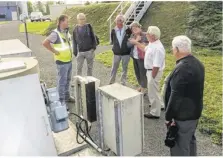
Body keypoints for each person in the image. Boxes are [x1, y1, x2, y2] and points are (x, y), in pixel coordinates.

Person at [165, 35, 205, 156]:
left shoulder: (181, 69)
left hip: (182, 116)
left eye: (173, 49)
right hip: (194, 113)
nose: (172, 51)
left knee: (179, 147)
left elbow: (175, 96)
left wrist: (168, 117)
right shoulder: (198, 63)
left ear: (176, 49)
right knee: (190, 141)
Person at [129, 26, 165, 119]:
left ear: (153, 35)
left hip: (153, 72)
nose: (146, 35)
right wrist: (136, 42)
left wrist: (152, 77)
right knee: (155, 90)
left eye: (148, 33)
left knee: (153, 92)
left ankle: (155, 112)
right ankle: (159, 105)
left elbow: (156, 65)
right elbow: (144, 48)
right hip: (151, 71)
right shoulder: (152, 43)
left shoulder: (157, 48)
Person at [42, 14, 75, 107]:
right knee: (62, 82)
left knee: (68, 80)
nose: (68, 23)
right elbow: (45, 43)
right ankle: (61, 101)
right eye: (66, 21)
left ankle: (67, 96)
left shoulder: (67, 32)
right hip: (61, 62)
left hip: (68, 60)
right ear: (61, 22)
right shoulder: (55, 33)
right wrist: (54, 51)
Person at [109, 14, 132, 86]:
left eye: (122, 20)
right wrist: (115, 48)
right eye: (118, 20)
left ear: (124, 21)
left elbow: (130, 39)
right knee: (114, 68)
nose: (120, 22)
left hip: (126, 53)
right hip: (116, 53)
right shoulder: (113, 30)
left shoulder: (128, 30)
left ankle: (123, 82)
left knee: (124, 68)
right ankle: (111, 82)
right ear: (116, 21)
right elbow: (113, 41)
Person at [128, 21, 148, 94]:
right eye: (133, 28)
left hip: (142, 58)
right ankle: (141, 86)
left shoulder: (145, 35)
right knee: (137, 73)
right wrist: (136, 40)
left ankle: (144, 89)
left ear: (140, 27)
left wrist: (139, 41)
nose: (134, 29)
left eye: (136, 27)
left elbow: (147, 45)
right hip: (135, 58)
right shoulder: (132, 36)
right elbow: (128, 46)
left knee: (143, 73)